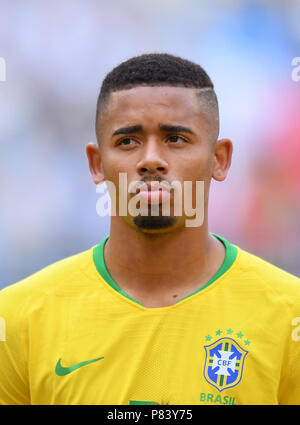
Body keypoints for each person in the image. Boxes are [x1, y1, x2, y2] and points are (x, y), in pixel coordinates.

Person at [0, 53, 299, 405]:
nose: (151, 160)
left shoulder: (289, 315)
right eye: (128, 141)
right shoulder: (18, 319)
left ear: (220, 159)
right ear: (97, 164)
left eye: (175, 139)